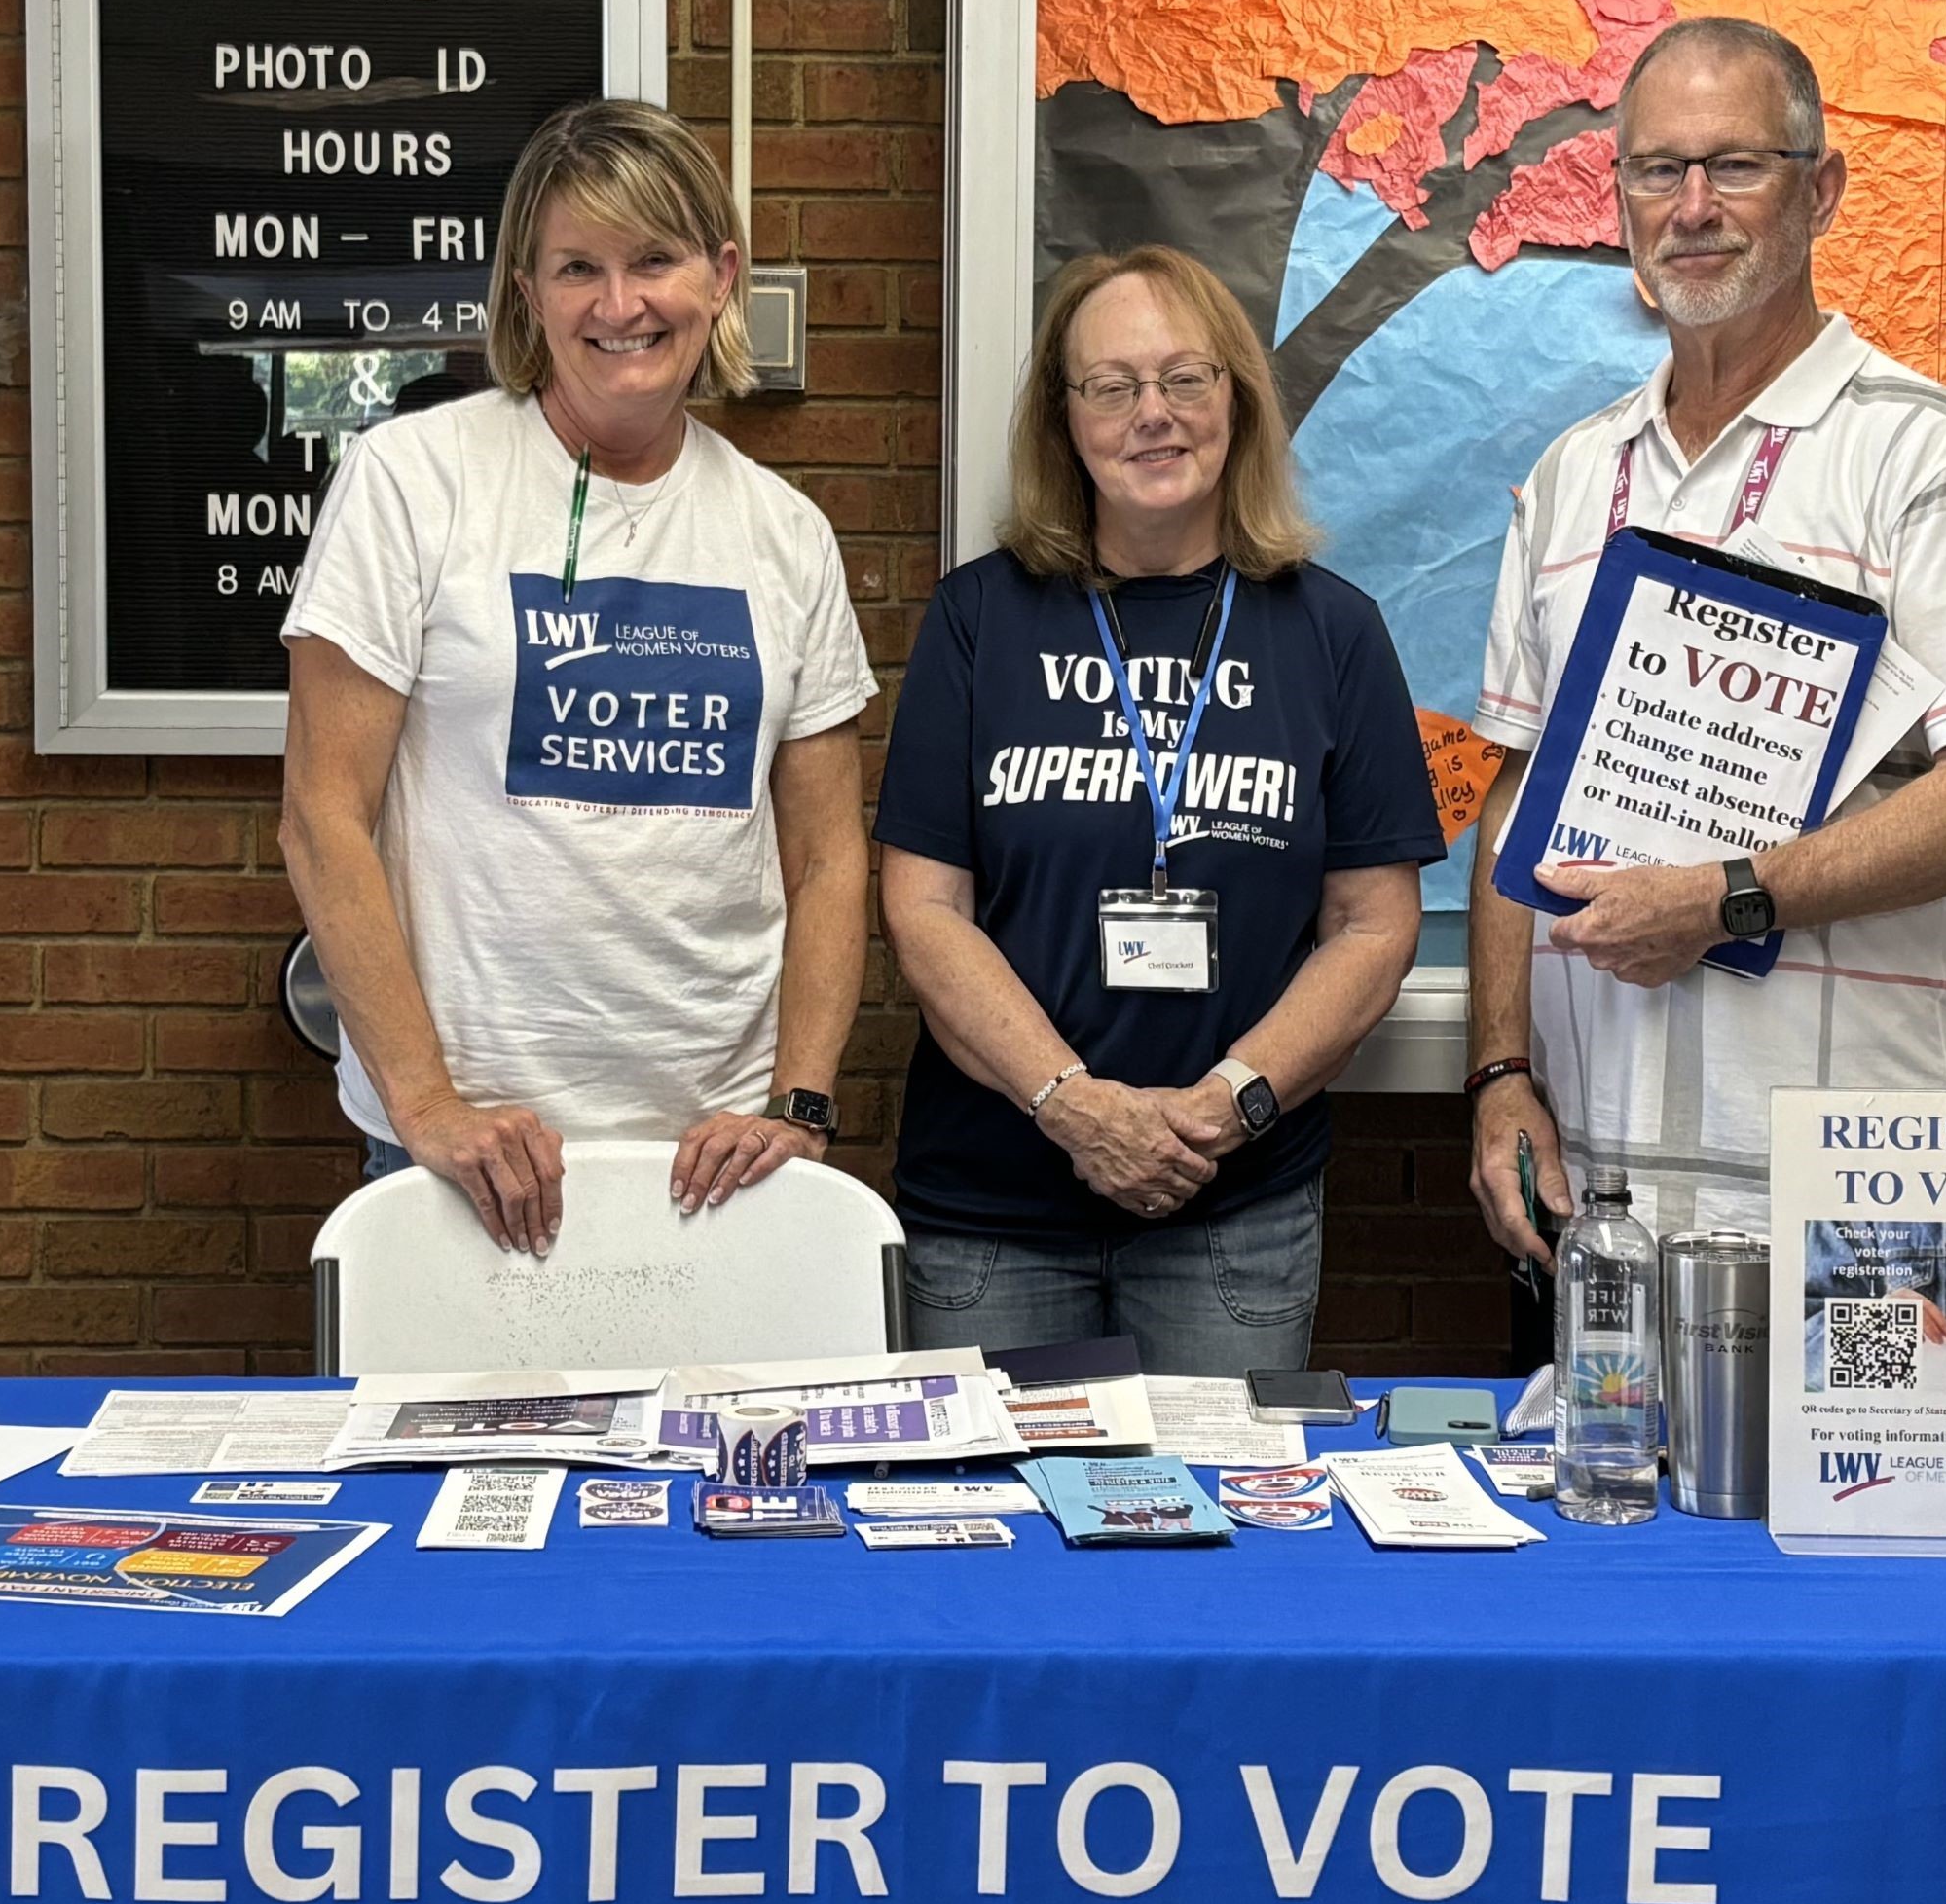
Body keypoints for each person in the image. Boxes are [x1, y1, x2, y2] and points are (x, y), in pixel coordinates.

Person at [1463, 18, 1946, 1253]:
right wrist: (1498, 1075)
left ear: (1824, 191)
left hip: (1867, 1207)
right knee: (1600, 1459)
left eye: (1737, 166)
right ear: (1624, 197)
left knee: (1887, 1461)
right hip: (1599, 1206)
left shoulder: (1922, 451)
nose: (1692, 206)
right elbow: (1515, 795)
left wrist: (1728, 898)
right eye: (1658, 169)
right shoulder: (1572, 475)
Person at [280, 100, 874, 1255]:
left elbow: (827, 853)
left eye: (653, 259)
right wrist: (426, 1106)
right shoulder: (412, 480)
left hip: (718, 1159)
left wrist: (799, 1102)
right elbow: (322, 818)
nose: (619, 305)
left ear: (720, 274)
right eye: (577, 268)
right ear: (527, 290)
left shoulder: (785, 532)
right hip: (468, 1161)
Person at [874, 247, 1442, 1373]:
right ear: (1063, 417)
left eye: (1187, 380)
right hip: (996, 1214)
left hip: (1232, 1214)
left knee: (1221, 1535)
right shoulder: (978, 619)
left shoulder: (1333, 634)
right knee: (991, 1533)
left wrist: (1224, 1108)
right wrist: (1073, 1106)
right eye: (1113, 386)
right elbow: (925, 909)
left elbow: (1374, 927)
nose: (1154, 417)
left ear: (1236, 399)